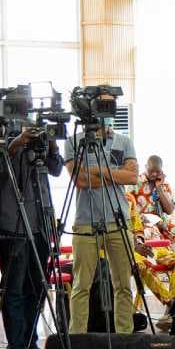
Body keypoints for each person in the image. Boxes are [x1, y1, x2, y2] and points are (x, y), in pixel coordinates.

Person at [0, 99, 64, 349]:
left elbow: (57, 169)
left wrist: (52, 143)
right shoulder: (2, 133)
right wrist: (18, 143)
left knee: (37, 286)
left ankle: (30, 340)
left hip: (40, 222)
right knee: (14, 288)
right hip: (14, 224)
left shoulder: (42, 134)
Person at [64, 98, 139, 335]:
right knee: (81, 285)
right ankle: (77, 340)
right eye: (101, 106)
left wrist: (96, 170)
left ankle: (124, 338)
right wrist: (115, 174)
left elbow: (132, 178)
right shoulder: (73, 141)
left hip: (118, 219)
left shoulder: (124, 142)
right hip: (85, 220)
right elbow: (80, 180)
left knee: (123, 285)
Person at [133, 155, 175, 242]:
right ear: (145, 167)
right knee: (151, 233)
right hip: (142, 225)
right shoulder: (135, 182)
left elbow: (169, 210)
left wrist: (159, 187)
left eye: (157, 171)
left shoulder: (165, 185)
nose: (154, 174)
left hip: (163, 226)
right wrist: (153, 221)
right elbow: (130, 210)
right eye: (151, 171)